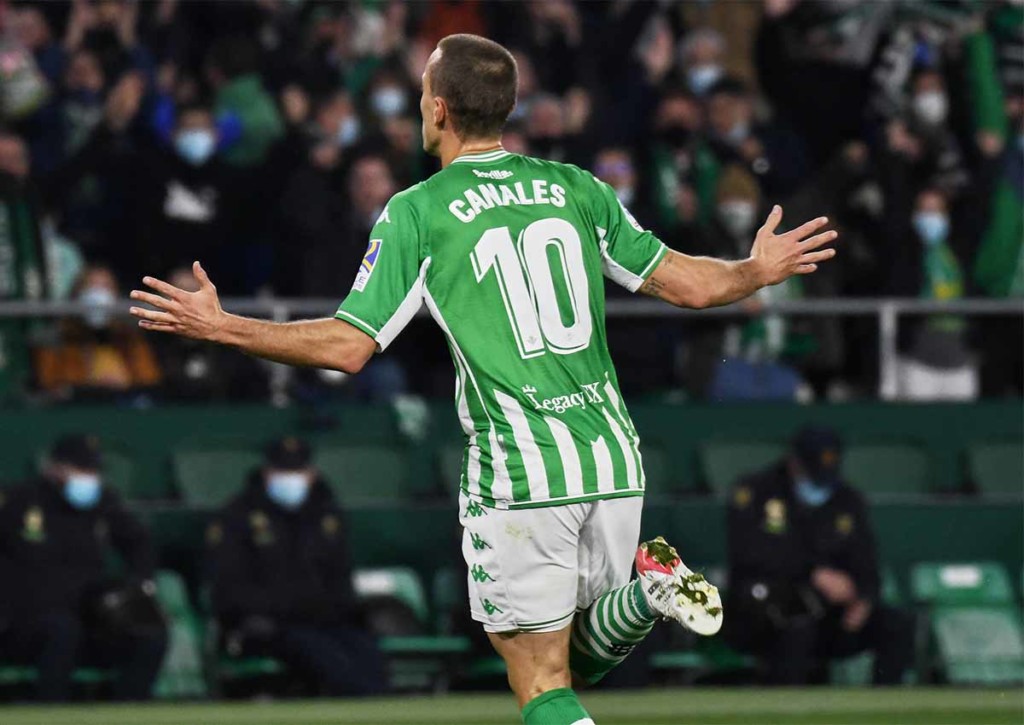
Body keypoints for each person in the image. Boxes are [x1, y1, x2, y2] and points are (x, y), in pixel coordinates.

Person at [129, 33, 837, 724]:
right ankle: (647, 592)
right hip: (614, 455)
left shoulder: (418, 211)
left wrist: (224, 328)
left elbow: (347, 348)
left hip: (522, 467)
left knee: (536, 680)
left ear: (437, 109)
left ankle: (647, 596)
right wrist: (752, 271)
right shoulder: (574, 187)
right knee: (576, 664)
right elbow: (685, 284)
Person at [724, 426, 914, 686]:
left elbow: (866, 560)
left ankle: (883, 707)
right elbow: (750, 554)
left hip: (833, 615)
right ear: (794, 462)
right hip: (768, 613)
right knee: (795, 624)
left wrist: (864, 597)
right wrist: (814, 574)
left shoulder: (846, 499)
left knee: (896, 625)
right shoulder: (757, 492)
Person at [205, 436, 385, 696]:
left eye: (297, 471)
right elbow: (228, 589)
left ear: (311, 474)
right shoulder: (238, 516)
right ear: (267, 474)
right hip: (268, 625)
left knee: (366, 651)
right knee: (326, 658)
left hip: (324, 621)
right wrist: (287, 607)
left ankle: (383, 705)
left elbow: (340, 578)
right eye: (282, 471)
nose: (290, 479)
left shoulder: (326, 516)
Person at [0, 434, 167, 702]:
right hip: (28, 624)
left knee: (149, 635)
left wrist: (140, 582)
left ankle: (130, 711)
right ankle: (51, 712)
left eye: (93, 471)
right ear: (54, 468)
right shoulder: (18, 501)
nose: (88, 478)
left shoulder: (104, 503)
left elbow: (139, 542)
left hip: (89, 617)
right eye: (81, 469)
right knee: (62, 631)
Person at [34, 264, 162, 402]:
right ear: (77, 294)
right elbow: (50, 387)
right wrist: (93, 387)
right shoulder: (58, 338)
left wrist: (125, 384)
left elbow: (149, 380)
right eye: (91, 286)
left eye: (106, 287)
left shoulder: (130, 337)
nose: (98, 295)